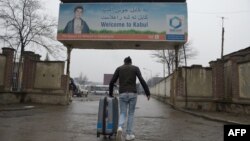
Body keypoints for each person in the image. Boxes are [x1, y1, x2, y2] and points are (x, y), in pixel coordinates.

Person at [109, 56, 150, 141]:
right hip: (133, 94)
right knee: (131, 114)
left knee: (123, 113)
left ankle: (120, 128)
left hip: (122, 93)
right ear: (131, 62)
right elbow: (141, 80)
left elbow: (112, 81)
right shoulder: (135, 68)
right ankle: (128, 134)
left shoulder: (119, 68)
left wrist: (110, 93)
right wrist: (147, 92)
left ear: (124, 62)